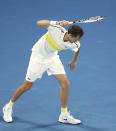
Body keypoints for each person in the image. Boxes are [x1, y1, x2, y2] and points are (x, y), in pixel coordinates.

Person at [3, 20, 84, 124]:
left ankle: (63, 115)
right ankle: (8, 107)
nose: (75, 42)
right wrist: (57, 22)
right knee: (27, 86)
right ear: (69, 34)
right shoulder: (56, 29)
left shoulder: (75, 43)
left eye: (77, 40)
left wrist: (74, 61)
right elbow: (39, 23)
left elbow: (78, 48)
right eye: (74, 39)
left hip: (52, 58)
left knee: (65, 84)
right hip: (38, 57)